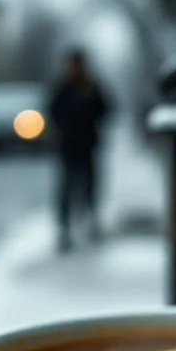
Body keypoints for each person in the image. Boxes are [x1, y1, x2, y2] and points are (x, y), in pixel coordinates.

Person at [47, 49, 111, 252]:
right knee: (66, 190)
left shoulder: (91, 86)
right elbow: (52, 111)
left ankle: (91, 220)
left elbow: (106, 109)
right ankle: (65, 230)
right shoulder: (63, 88)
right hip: (68, 147)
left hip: (87, 146)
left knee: (90, 186)